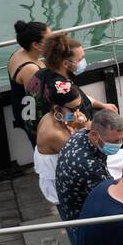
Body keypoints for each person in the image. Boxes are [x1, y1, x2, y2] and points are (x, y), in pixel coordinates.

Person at [54, 108, 123, 223]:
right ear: (94, 135)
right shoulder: (89, 166)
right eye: (114, 141)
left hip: (81, 202)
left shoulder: (81, 134)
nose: (119, 144)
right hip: (88, 220)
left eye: (121, 140)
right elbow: (110, 200)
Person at [33, 76, 90, 207]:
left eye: (79, 107)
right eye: (74, 109)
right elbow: (84, 155)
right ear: (58, 109)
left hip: (67, 170)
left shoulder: (49, 116)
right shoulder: (54, 134)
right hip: (60, 187)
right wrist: (83, 128)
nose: (78, 112)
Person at [37, 32, 119, 118]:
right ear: (65, 63)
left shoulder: (42, 73)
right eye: (80, 59)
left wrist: (102, 105)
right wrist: (83, 120)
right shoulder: (63, 88)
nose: (83, 61)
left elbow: (80, 98)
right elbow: (68, 118)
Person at [8, 20, 50, 146]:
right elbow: (40, 102)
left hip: (22, 108)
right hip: (33, 118)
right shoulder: (30, 69)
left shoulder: (19, 53)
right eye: (49, 40)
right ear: (36, 45)